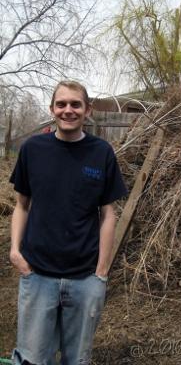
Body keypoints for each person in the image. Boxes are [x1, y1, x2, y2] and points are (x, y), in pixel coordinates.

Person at [9, 80, 127, 365]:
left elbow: (108, 213)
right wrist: (15, 252)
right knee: (33, 359)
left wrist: (101, 271)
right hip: (37, 275)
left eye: (75, 104)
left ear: (88, 110)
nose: (68, 110)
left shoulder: (102, 153)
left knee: (77, 360)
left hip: (85, 278)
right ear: (52, 109)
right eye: (61, 104)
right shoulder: (33, 149)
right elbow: (22, 205)